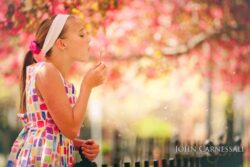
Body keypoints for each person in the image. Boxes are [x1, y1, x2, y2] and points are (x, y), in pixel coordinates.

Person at [7, 13, 107, 166]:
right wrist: (87, 85)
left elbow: (53, 130)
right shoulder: (47, 72)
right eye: (81, 35)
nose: (88, 39)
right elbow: (71, 129)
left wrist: (78, 144)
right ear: (61, 44)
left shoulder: (54, 75)